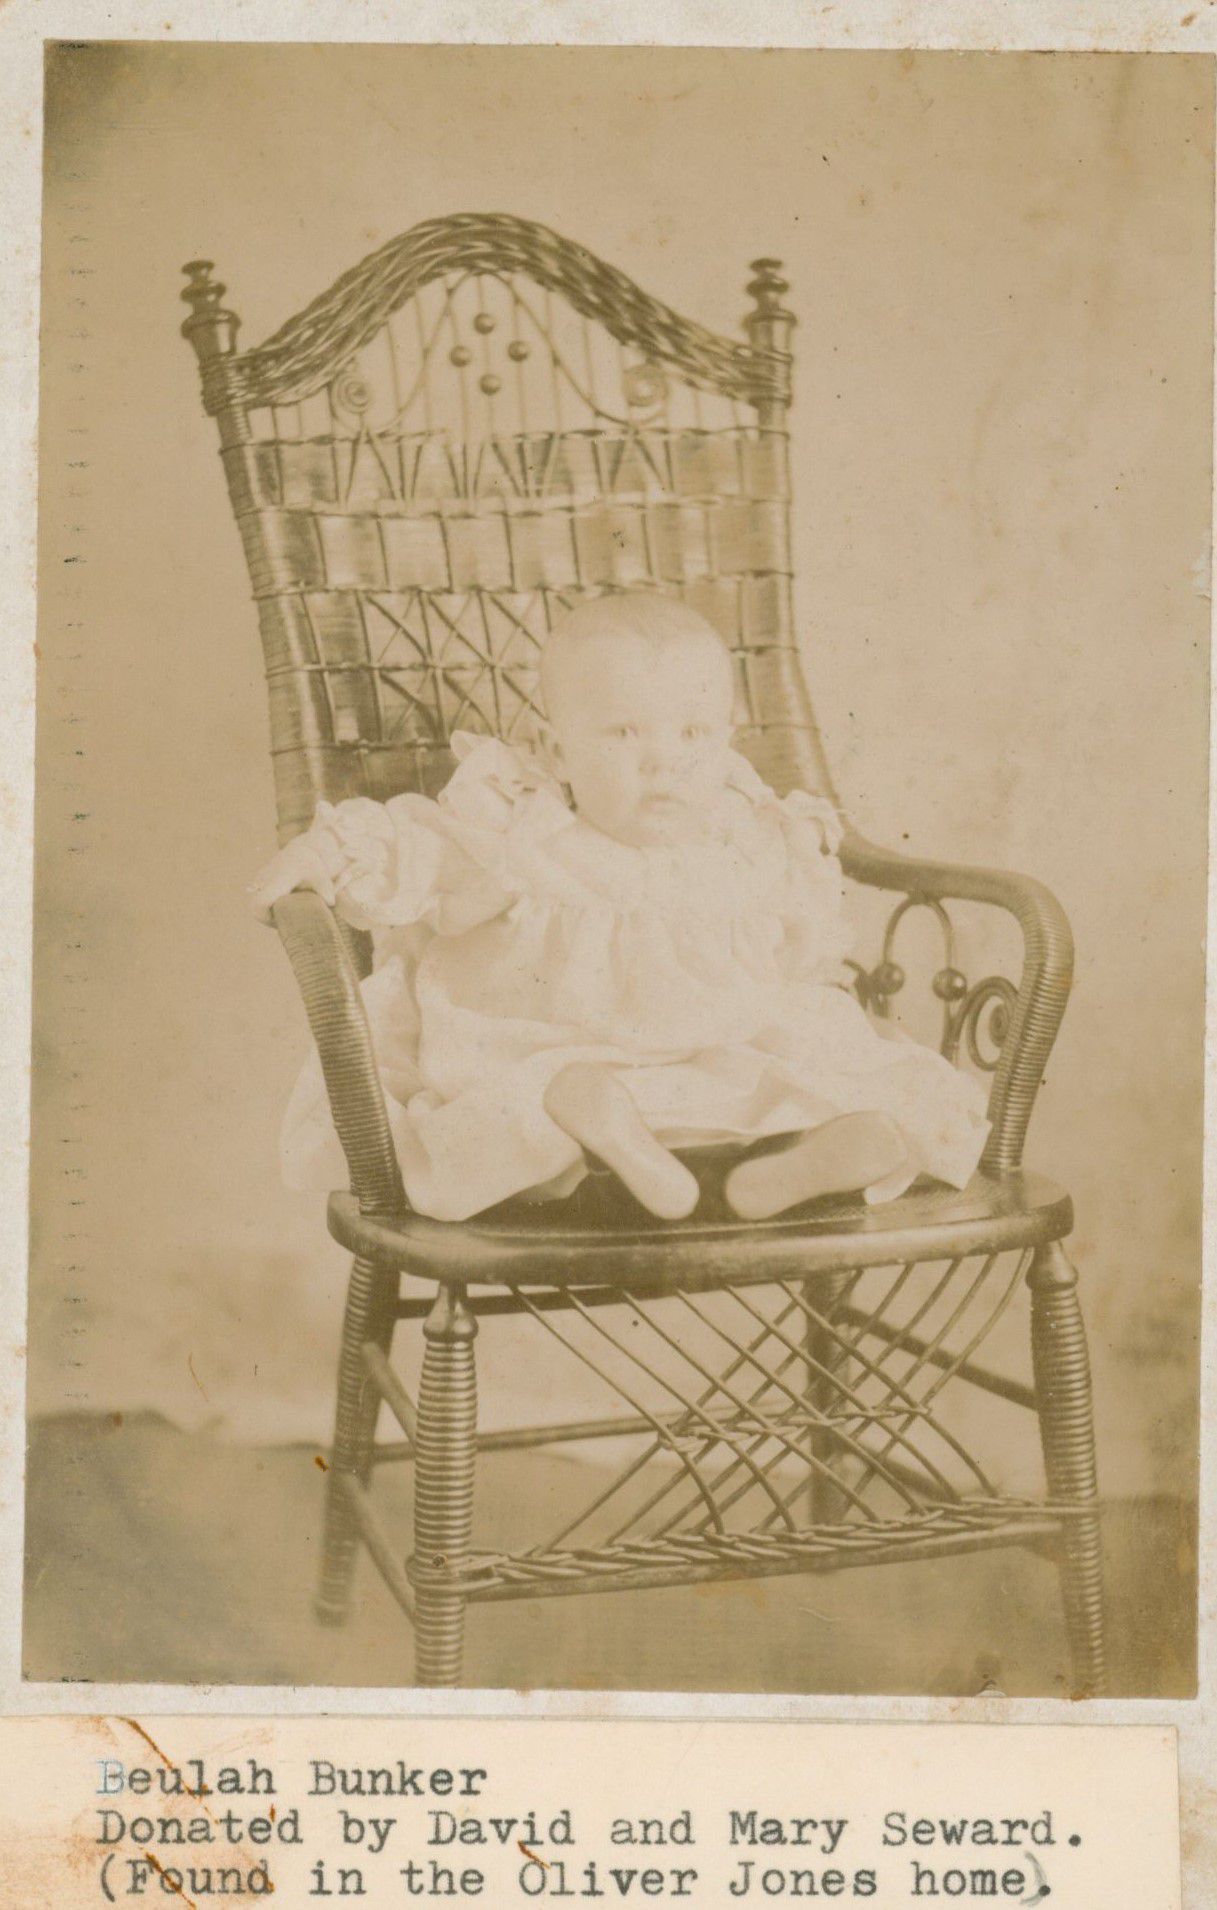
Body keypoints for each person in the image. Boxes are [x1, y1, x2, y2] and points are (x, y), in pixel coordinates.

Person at [249, 593, 988, 1223]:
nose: (663, 760)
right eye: (624, 732)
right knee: (524, 1112)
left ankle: (786, 1167)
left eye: (691, 733)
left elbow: (799, 944)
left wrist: (802, 978)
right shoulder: (519, 828)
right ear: (555, 749)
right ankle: (622, 1136)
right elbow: (414, 845)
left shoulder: (745, 834)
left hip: (712, 1053)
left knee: (812, 1071)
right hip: (554, 1057)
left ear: (726, 740)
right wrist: (325, 854)